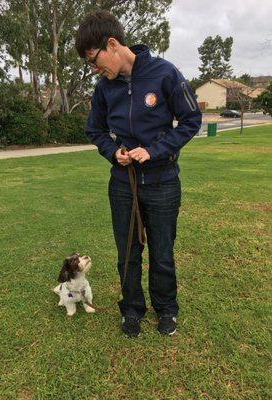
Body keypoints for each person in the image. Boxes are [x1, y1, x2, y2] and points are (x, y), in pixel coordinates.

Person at [75, 10, 202, 337]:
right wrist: (112, 152)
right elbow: (95, 130)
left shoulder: (165, 73)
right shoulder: (104, 87)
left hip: (163, 182)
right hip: (123, 185)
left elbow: (191, 120)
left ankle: (166, 309)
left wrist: (155, 149)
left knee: (162, 252)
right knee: (127, 253)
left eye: (94, 60)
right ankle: (130, 309)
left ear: (113, 44)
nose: (95, 70)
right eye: (90, 66)